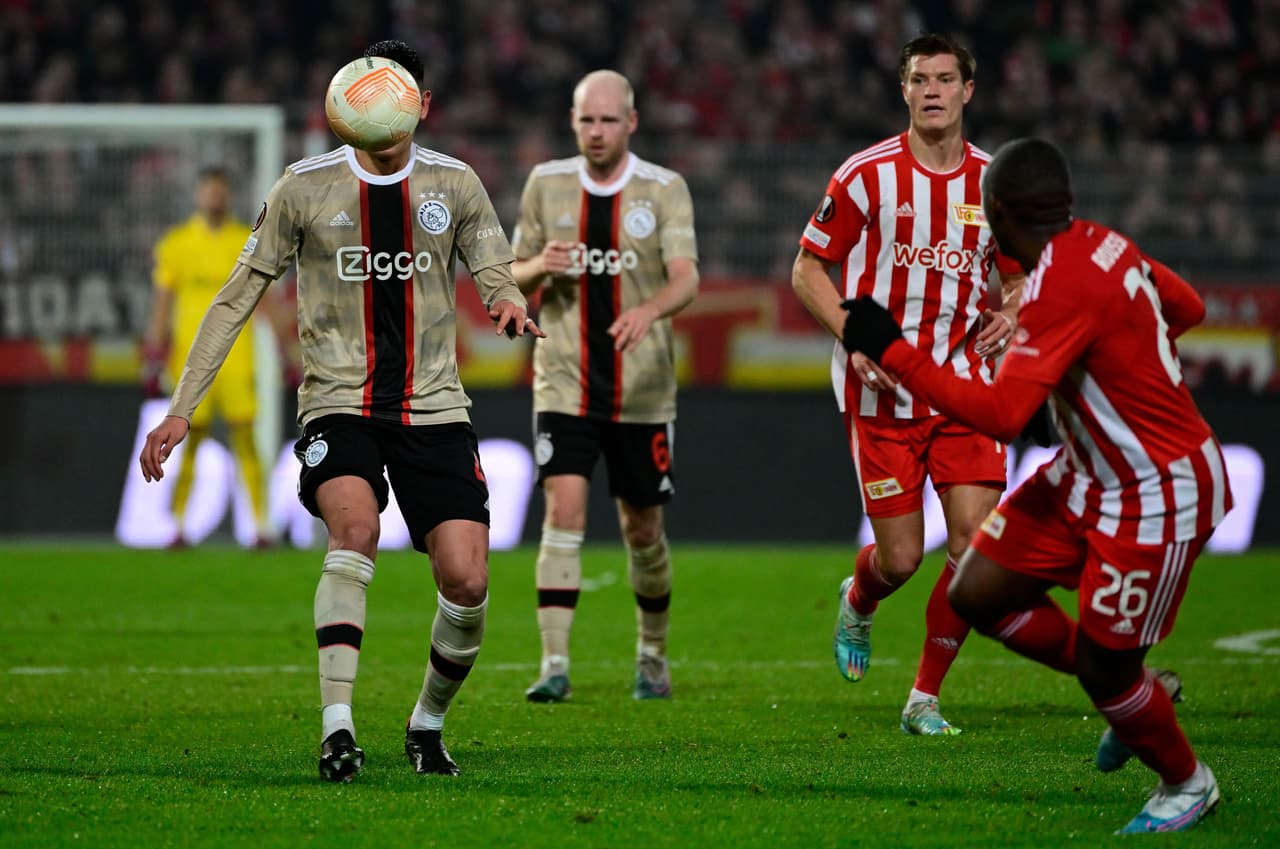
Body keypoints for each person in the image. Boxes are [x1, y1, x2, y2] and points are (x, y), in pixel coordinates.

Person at [139, 39, 543, 782]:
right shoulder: (303, 187)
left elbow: (494, 269)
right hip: (337, 399)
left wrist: (509, 303)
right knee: (354, 528)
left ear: (423, 106)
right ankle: (337, 728)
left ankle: (425, 724)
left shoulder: (455, 184)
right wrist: (181, 407)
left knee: (468, 579)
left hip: (434, 405)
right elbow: (235, 300)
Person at [840, 136, 1230, 833]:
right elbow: (1190, 307)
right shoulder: (1107, 244)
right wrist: (1121, 353)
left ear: (995, 212)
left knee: (1107, 669)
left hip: (1155, 490)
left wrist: (894, 349)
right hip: (1084, 473)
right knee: (976, 588)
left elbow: (1003, 412)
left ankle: (1185, 779)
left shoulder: (1055, 289)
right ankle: (1133, 699)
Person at [791, 33, 1024, 735]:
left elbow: (1015, 277)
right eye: (919, 78)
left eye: (945, 79)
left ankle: (924, 696)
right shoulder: (866, 175)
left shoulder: (995, 182)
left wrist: (1011, 313)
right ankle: (860, 598)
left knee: (973, 550)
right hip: (882, 387)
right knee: (901, 558)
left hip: (964, 387)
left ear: (967, 90)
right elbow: (807, 270)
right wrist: (852, 335)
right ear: (904, 91)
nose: (932, 90)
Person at [509, 69, 699, 703]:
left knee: (641, 530)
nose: (597, 131)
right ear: (573, 122)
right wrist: (540, 265)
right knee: (562, 513)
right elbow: (511, 279)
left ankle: (652, 655)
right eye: (587, 120)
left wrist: (650, 310)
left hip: (642, 391)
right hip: (562, 381)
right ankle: (554, 664)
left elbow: (686, 278)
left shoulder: (664, 189)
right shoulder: (546, 183)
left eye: (608, 120)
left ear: (631, 123)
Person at [142, 166, 273, 548]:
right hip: (191, 359)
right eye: (208, 191)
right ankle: (179, 526)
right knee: (185, 444)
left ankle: (261, 528)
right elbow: (163, 304)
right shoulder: (177, 244)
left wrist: (286, 346)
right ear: (198, 195)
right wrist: (154, 352)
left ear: (228, 195)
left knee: (247, 441)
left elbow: (264, 300)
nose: (214, 197)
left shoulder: (245, 241)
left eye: (220, 191)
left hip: (237, 358)